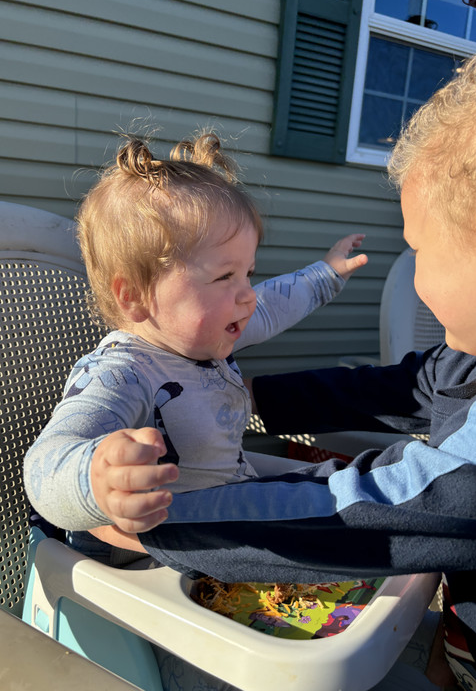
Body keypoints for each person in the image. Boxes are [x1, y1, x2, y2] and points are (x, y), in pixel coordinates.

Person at [69, 54, 476, 690]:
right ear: (135, 295)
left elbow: (400, 503)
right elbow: (423, 384)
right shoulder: (121, 370)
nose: (415, 275)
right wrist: (257, 399)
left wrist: (157, 525)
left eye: (419, 249)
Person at [23, 130, 367, 565]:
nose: (247, 295)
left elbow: (273, 304)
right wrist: (95, 480)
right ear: (135, 296)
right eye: (224, 277)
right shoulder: (121, 373)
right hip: (145, 566)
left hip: (224, 523)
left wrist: (326, 274)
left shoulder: (204, 337)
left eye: (247, 273)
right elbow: (45, 464)